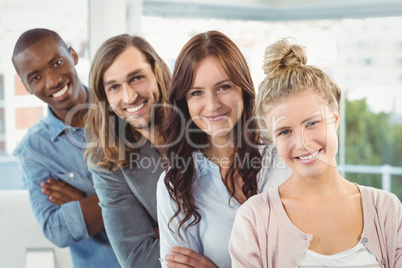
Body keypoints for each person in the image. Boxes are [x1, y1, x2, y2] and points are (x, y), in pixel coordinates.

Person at [229, 37, 402, 267]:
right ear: (272, 139)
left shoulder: (386, 209)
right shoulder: (254, 219)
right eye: (284, 131)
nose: (303, 143)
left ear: (335, 119)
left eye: (311, 123)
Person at [157, 30, 290, 268]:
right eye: (196, 92)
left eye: (223, 87)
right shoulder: (174, 183)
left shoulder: (282, 161)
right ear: (184, 103)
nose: (212, 105)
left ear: (243, 89)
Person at [11, 28, 120, 267]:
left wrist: (85, 203)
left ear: (73, 55)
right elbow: (56, 230)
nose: (52, 81)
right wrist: (125, 196)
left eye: (57, 62)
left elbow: (161, 194)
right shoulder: (33, 150)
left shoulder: (121, 109)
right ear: (26, 85)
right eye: (36, 77)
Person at [85, 34, 170, 267]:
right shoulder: (107, 162)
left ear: (159, 71)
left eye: (137, 78)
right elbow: (137, 258)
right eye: (114, 87)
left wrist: (169, 236)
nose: (130, 96)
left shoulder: (201, 118)